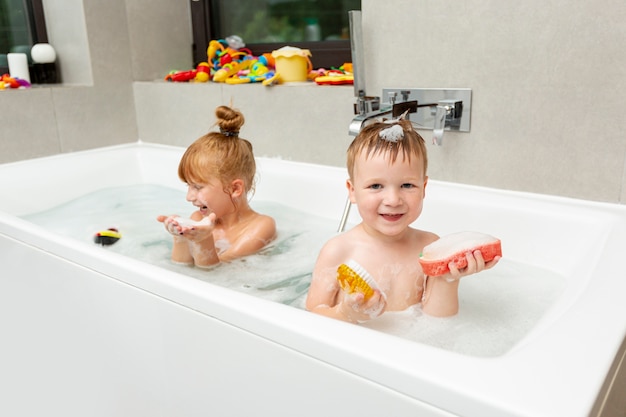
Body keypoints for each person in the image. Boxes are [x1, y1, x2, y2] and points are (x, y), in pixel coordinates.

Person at [305, 117, 499, 323]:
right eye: (376, 186)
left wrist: (448, 280)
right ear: (352, 191)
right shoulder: (339, 250)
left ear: (423, 188)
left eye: (407, 185)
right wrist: (344, 314)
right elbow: (312, 313)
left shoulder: (430, 247)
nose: (392, 200)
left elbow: (437, 321)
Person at [157, 105, 276, 268]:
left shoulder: (261, 226)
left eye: (197, 187)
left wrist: (203, 240)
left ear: (235, 189)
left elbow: (216, 276)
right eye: (188, 186)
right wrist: (181, 238)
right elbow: (181, 269)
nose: (189, 197)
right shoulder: (198, 218)